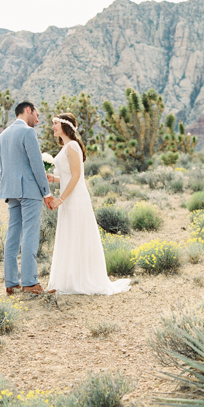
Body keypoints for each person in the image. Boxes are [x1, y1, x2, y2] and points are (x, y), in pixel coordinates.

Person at [46, 113, 131, 295]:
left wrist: (61, 199)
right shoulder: (67, 147)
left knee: (77, 235)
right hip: (69, 197)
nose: (52, 126)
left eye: (55, 123)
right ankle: (69, 279)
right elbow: (69, 175)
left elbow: (77, 176)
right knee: (70, 235)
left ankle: (81, 280)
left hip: (75, 199)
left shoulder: (72, 146)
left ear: (64, 125)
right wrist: (53, 179)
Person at [0, 102, 54, 295]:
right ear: (28, 110)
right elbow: (37, 165)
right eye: (37, 114)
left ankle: (11, 283)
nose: (38, 119)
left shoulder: (2, 135)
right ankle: (30, 283)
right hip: (29, 191)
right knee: (30, 234)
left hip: (10, 191)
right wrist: (47, 192)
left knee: (12, 236)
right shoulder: (28, 133)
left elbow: (2, 167)